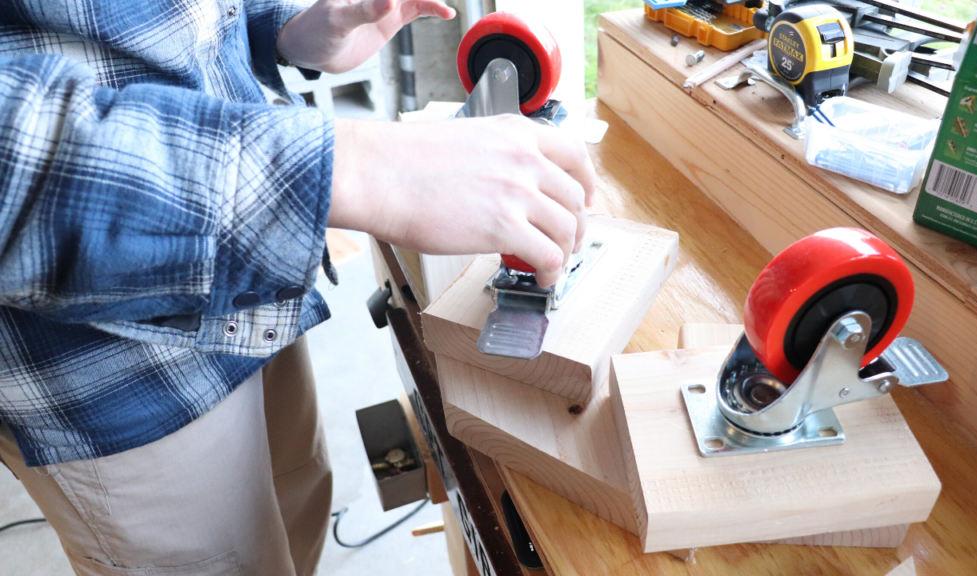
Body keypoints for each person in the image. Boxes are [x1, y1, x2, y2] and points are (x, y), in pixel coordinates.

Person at [0, 1, 595, 574]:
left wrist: (281, 27)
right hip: (113, 359)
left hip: (255, 281)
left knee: (296, 502)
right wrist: (363, 171)